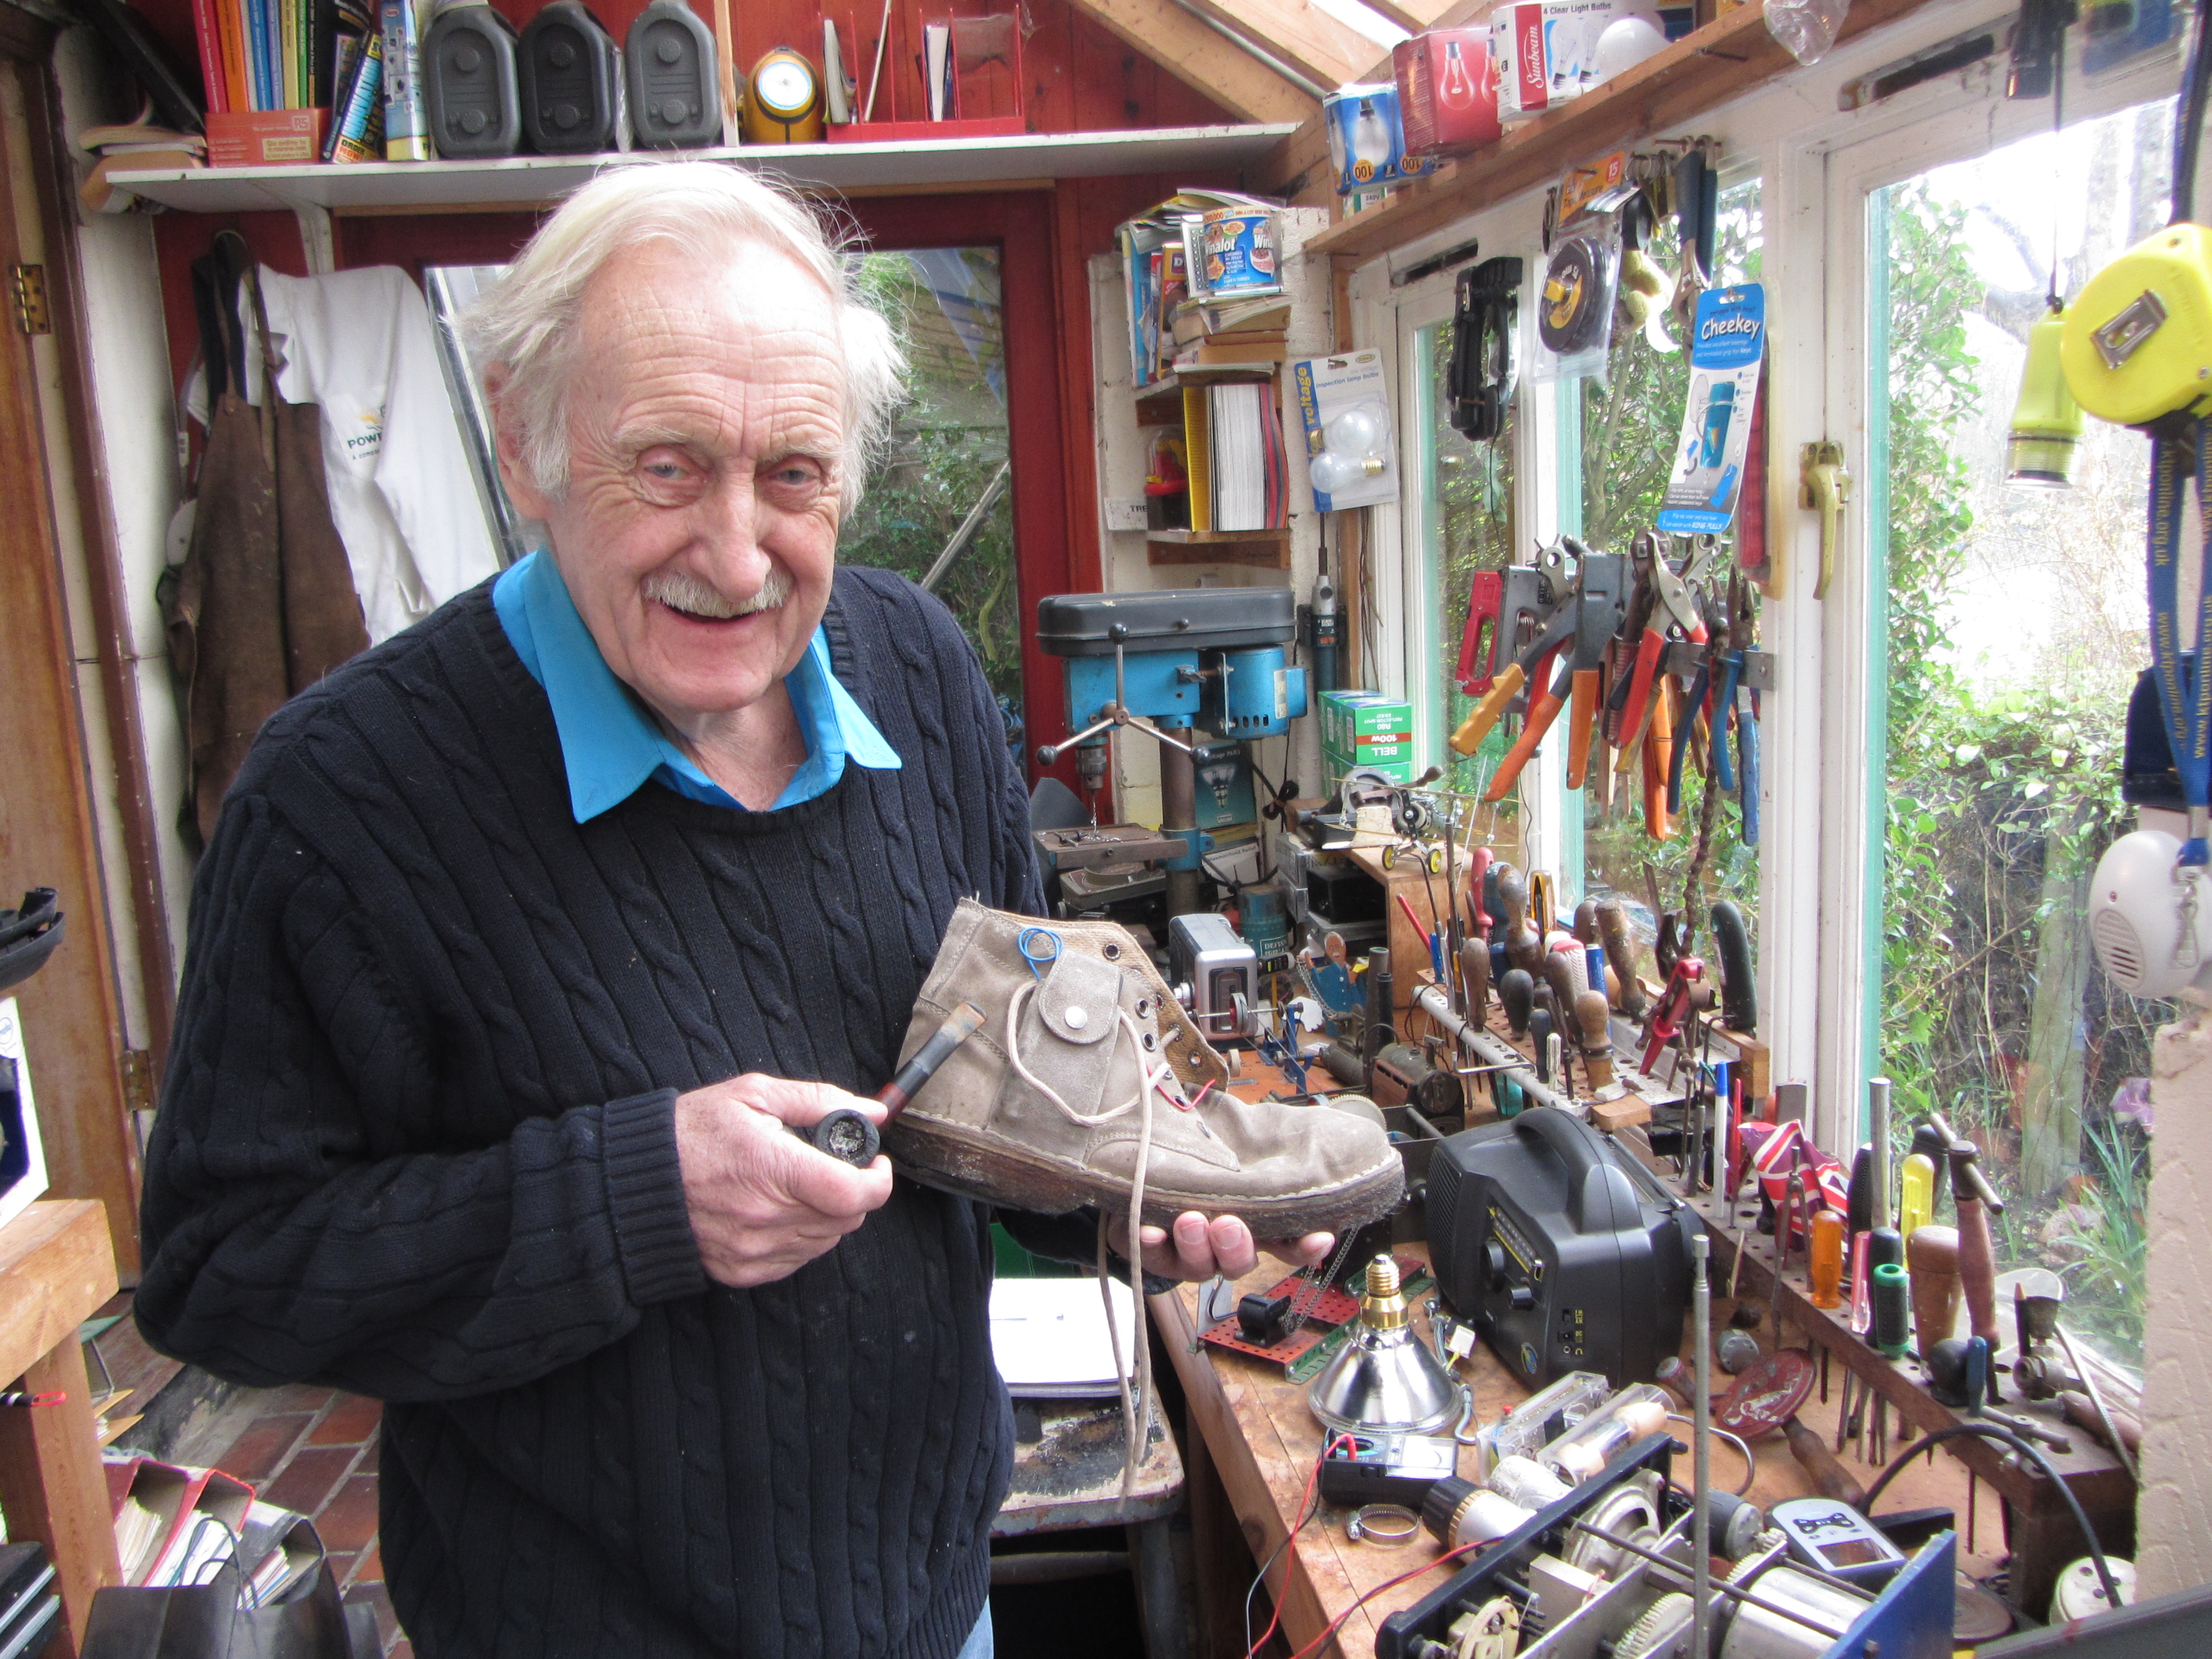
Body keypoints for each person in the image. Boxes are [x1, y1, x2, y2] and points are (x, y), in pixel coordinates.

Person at [135, 162, 1327, 1659]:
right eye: (667, 466)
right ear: (524, 440)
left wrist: (1127, 1201)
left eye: (794, 474)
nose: (739, 553)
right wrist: (630, 1203)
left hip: (935, 1615)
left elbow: (997, 1104)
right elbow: (221, 1271)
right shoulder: (339, 797)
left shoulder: (919, 669)